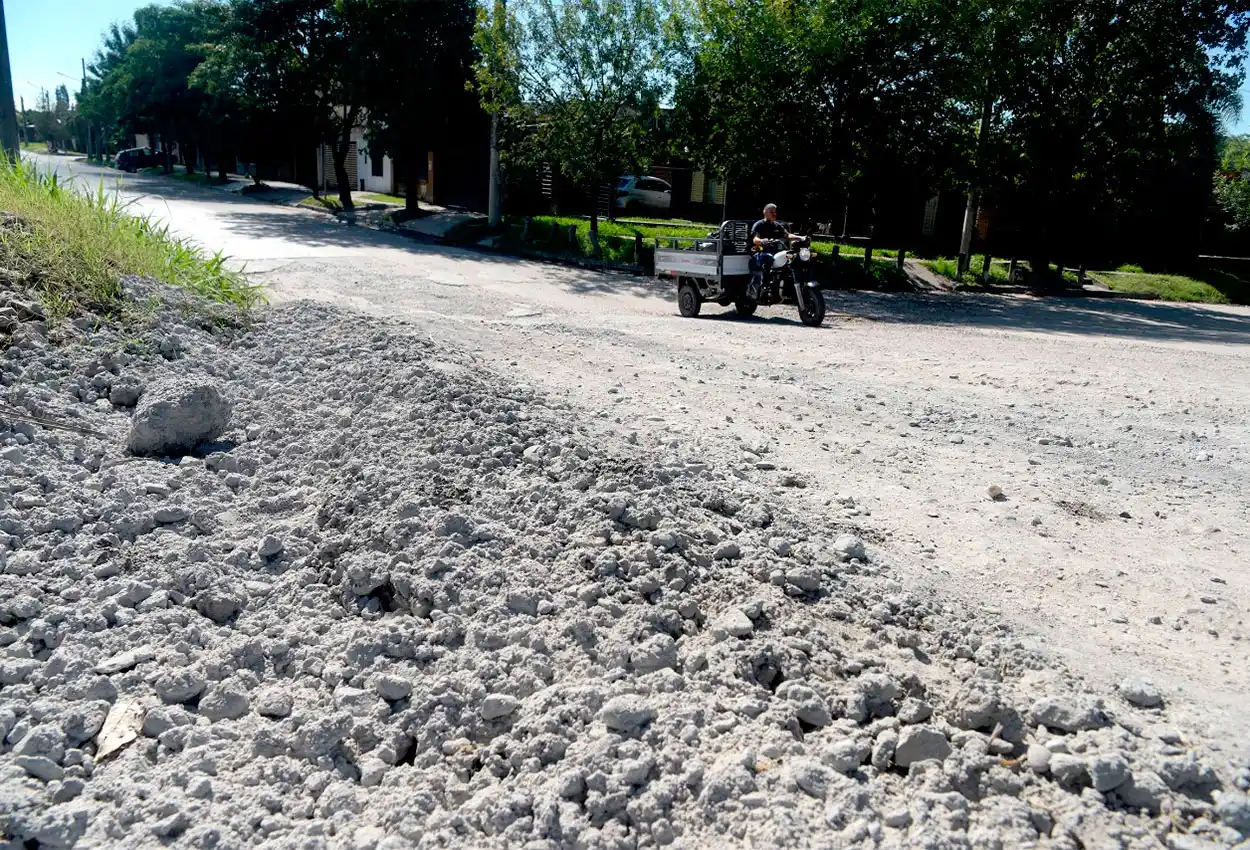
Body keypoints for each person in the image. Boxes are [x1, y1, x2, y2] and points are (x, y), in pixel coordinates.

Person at [749, 204, 799, 299]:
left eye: (775, 212)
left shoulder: (777, 225)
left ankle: (789, 287)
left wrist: (800, 238)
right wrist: (762, 241)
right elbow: (755, 239)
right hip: (759, 254)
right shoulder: (759, 224)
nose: (774, 214)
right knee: (768, 257)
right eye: (771, 212)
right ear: (765, 212)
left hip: (774, 254)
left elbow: (787, 235)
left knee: (792, 257)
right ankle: (764, 288)